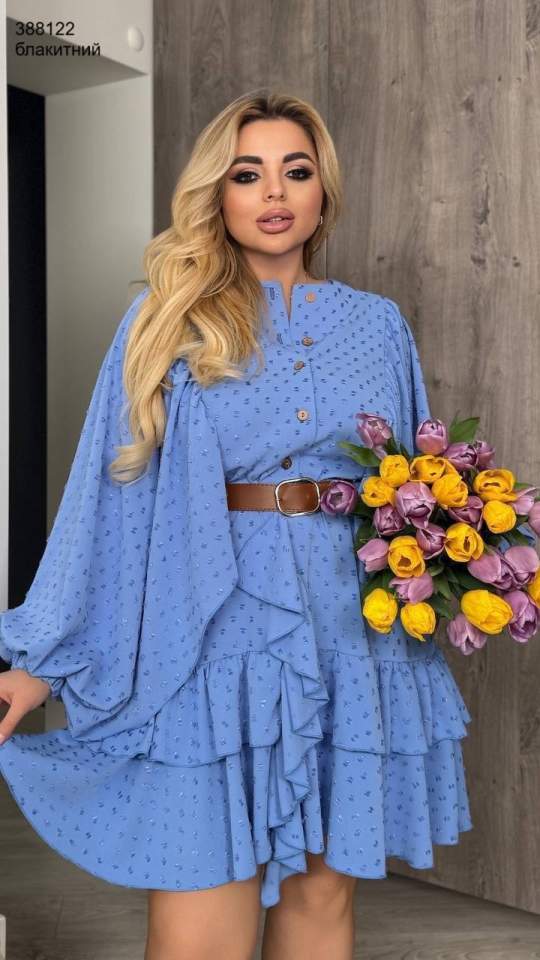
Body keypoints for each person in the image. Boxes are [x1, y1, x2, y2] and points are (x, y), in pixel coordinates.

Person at [0, 90, 474, 960]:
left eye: (296, 171)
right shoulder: (166, 319)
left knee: (321, 900)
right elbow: (105, 499)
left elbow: (416, 479)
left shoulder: (379, 325)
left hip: (351, 633)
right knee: (200, 925)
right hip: (210, 631)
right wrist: (40, 659)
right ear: (217, 194)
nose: (274, 192)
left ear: (324, 192)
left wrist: (460, 563)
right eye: (247, 174)